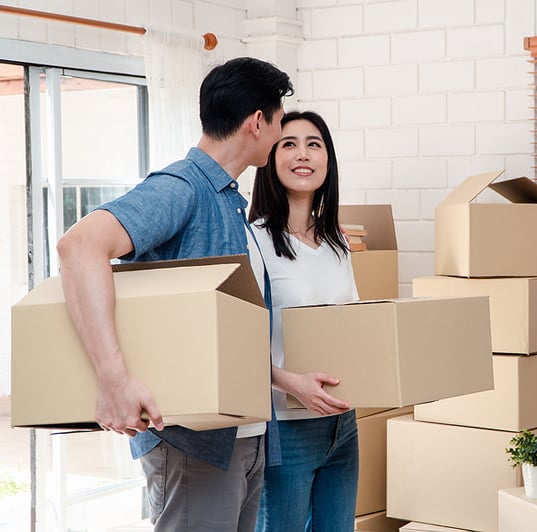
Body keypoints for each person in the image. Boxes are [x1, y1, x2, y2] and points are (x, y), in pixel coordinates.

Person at [56, 57, 293, 532]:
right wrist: (114, 379)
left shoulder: (228, 198)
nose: (281, 132)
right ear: (257, 122)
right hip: (190, 440)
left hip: (241, 433)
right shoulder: (181, 188)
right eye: (280, 120)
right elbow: (79, 246)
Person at [247, 110, 359, 532]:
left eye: (314, 143)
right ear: (271, 158)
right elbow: (236, 345)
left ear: (327, 159)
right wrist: (292, 384)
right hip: (286, 428)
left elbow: (352, 324)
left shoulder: (338, 242)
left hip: (342, 426)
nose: (302, 154)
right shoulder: (253, 240)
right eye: (289, 143)